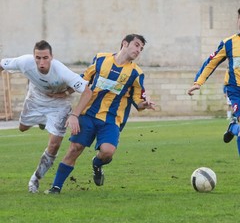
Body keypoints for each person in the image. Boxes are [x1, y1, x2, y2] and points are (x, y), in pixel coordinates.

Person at [44, 34, 155, 194]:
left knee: (107, 152)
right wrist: (64, 93)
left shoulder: (136, 74)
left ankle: (97, 164)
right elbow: (82, 80)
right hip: (88, 114)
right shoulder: (101, 59)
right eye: (136, 45)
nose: (138, 50)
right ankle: (56, 187)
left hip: (111, 121)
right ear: (125, 43)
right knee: (75, 148)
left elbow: (138, 102)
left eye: (141, 48)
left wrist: (144, 104)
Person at [0, 40, 92, 193]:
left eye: (45, 58)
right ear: (33, 56)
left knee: (54, 144)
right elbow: (2, 64)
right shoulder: (24, 62)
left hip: (59, 103)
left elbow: (87, 91)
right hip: (36, 98)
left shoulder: (61, 70)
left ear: (51, 57)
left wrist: (74, 113)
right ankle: (42, 122)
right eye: (38, 58)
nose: (41, 62)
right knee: (22, 128)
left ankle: (35, 179)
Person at [187, 8, 240, 154]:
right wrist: (198, 82)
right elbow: (211, 62)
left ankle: (233, 128)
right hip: (236, 90)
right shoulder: (229, 43)